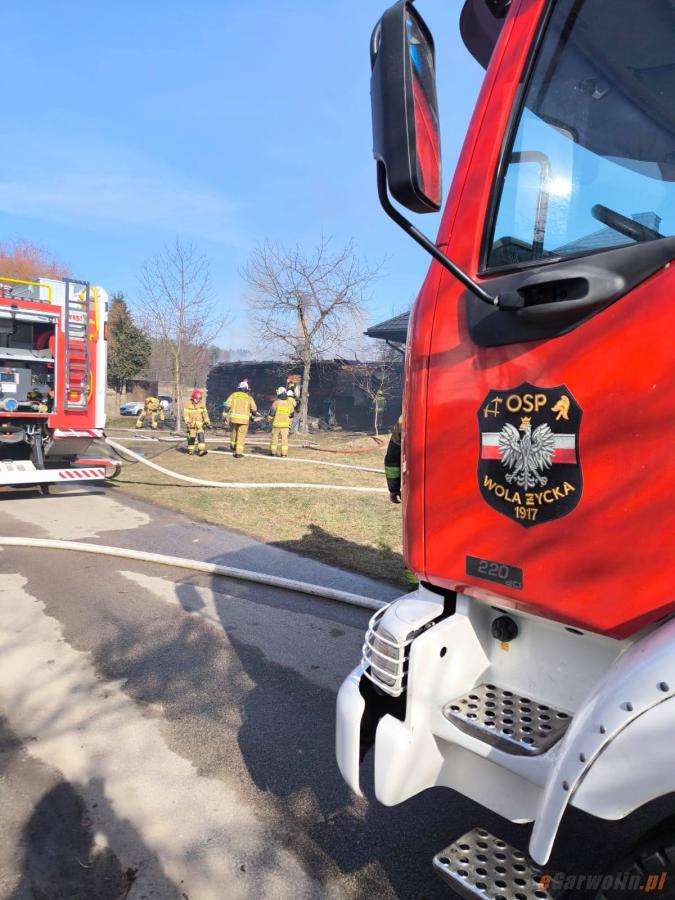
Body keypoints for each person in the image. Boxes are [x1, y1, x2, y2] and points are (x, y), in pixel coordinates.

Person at [384, 415, 419, 592]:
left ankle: (415, 587)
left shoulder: (405, 418)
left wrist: (393, 487)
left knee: (416, 538)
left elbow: (392, 458)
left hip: (417, 491)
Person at [224, 380, 257, 458]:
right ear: (246, 389)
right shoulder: (249, 397)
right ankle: (238, 453)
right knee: (241, 435)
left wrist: (224, 415)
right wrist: (253, 418)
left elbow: (227, 406)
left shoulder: (233, 395)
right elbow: (254, 410)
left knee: (233, 432)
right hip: (244, 420)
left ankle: (233, 445)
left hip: (234, 419)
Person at [269, 387, 296, 457]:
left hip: (276, 425)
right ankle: (284, 453)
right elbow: (292, 415)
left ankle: (273, 452)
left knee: (274, 438)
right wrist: (289, 422)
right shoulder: (289, 403)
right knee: (284, 440)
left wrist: (269, 420)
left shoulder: (276, 402)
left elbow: (271, 413)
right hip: (286, 425)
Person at [183, 389, 210, 456]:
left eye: (199, 398)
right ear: (193, 398)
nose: (197, 400)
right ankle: (191, 450)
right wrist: (187, 422)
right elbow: (185, 414)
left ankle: (201, 450)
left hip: (200, 425)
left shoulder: (202, 405)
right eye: (196, 398)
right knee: (191, 438)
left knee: (201, 437)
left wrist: (207, 421)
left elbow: (205, 414)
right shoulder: (187, 404)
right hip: (191, 425)